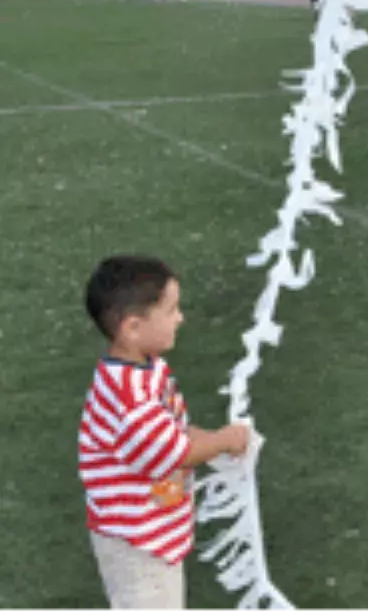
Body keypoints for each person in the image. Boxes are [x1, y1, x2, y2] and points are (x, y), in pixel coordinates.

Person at [79, 256, 250, 609]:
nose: (180, 318)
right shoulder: (130, 399)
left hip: (152, 528)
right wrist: (223, 441)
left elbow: (171, 429)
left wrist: (205, 438)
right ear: (133, 328)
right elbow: (174, 452)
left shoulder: (146, 367)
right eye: (171, 310)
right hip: (135, 542)